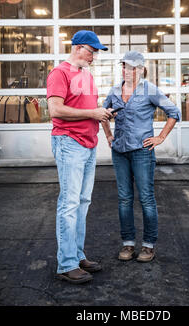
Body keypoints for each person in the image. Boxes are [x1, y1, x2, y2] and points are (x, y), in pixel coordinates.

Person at [47, 30, 113, 284]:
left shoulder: (86, 76)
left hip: (88, 143)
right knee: (70, 203)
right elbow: (56, 109)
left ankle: (77, 255)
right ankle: (66, 265)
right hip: (69, 142)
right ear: (78, 48)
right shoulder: (59, 73)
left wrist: (103, 117)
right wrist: (93, 114)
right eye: (92, 51)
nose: (94, 56)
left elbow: (90, 110)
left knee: (83, 202)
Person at [101, 51, 181, 262]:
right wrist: (109, 134)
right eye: (124, 67)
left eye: (131, 67)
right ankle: (128, 244)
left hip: (141, 152)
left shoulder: (150, 90)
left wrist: (160, 137)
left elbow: (174, 112)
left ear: (140, 69)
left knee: (146, 198)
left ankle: (148, 245)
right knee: (124, 198)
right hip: (119, 152)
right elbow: (103, 114)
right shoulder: (115, 90)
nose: (127, 71)